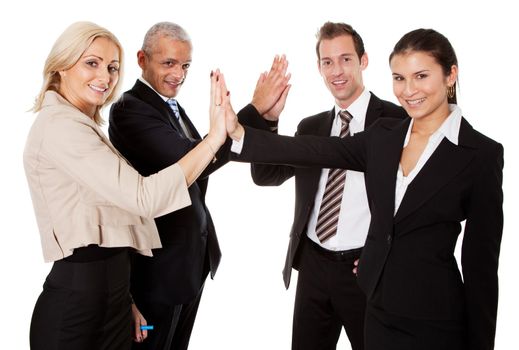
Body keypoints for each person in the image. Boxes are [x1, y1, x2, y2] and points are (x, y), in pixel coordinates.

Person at [223, 28, 504, 350]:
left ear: (450, 74)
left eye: (421, 76)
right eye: (399, 78)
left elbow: (481, 267)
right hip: (377, 308)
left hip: (435, 317)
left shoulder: (480, 155)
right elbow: (313, 151)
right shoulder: (384, 136)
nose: (409, 90)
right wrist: (240, 131)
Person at [24, 21, 228, 350]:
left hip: (113, 297)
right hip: (78, 305)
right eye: (92, 63)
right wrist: (215, 139)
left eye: (112, 67)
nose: (105, 78)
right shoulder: (60, 127)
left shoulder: (82, 125)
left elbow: (112, 225)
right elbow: (142, 198)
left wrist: (126, 299)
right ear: (62, 65)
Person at [108, 22, 289, 350]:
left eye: (185, 65)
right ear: (141, 59)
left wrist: (262, 119)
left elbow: (208, 158)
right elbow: (193, 159)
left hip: (187, 266)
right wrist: (253, 110)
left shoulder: (169, 106)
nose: (178, 74)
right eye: (168, 63)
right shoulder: (130, 110)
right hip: (157, 274)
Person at [249, 22, 406, 350]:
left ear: (363, 61)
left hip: (365, 269)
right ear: (319, 68)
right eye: (328, 62)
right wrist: (269, 120)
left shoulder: (396, 122)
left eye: (346, 59)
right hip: (313, 266)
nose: (337, 70)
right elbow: (266, 175)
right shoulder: (312, 127)